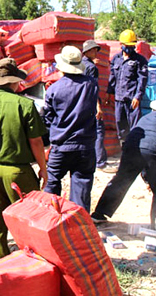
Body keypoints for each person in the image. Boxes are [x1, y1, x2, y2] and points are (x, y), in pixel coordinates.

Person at [0, 58, 47, 260]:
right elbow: (37, 142)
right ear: (13, 82)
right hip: (19, 172)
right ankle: (32, 264)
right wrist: (43, 168)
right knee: (29, 221)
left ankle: (0, 265)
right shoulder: (25, 105)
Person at [43, 46, 98, 212]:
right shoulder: (91, 85)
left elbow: (48, 118)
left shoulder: (54, 90)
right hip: (85, 146)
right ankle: (78, 224)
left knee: (52, 184)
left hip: (61, 146)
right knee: (82, 185)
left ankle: (51, 220)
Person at [91, 100, 156, 229]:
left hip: (132, 148)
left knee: (121, 180)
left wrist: (147, 177)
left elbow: (142, 150)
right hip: (151, 150)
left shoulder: (146, 118)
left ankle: (99, 215)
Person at [107, 29, 148, 141]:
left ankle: (135, 153)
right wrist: (109, 93)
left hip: (132, 100)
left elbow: (142, 79)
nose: (130, 48)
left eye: (132, 45)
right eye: (127, 45)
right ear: (121, 44)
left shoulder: (140, 60)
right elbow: (112, 77)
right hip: (119, 99)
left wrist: (137, 96)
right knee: (121, 126)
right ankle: (124, 150)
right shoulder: (116, 59)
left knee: (134, 126)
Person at [82, 40, 108, 171]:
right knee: (98, 131)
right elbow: (93, 89)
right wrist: (98, 106)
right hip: (91, 103)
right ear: (87, 51)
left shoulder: (80, 64)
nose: (96, 52)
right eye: (93, 50)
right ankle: (100, 162)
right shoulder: (92, 68)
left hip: (82, 104)